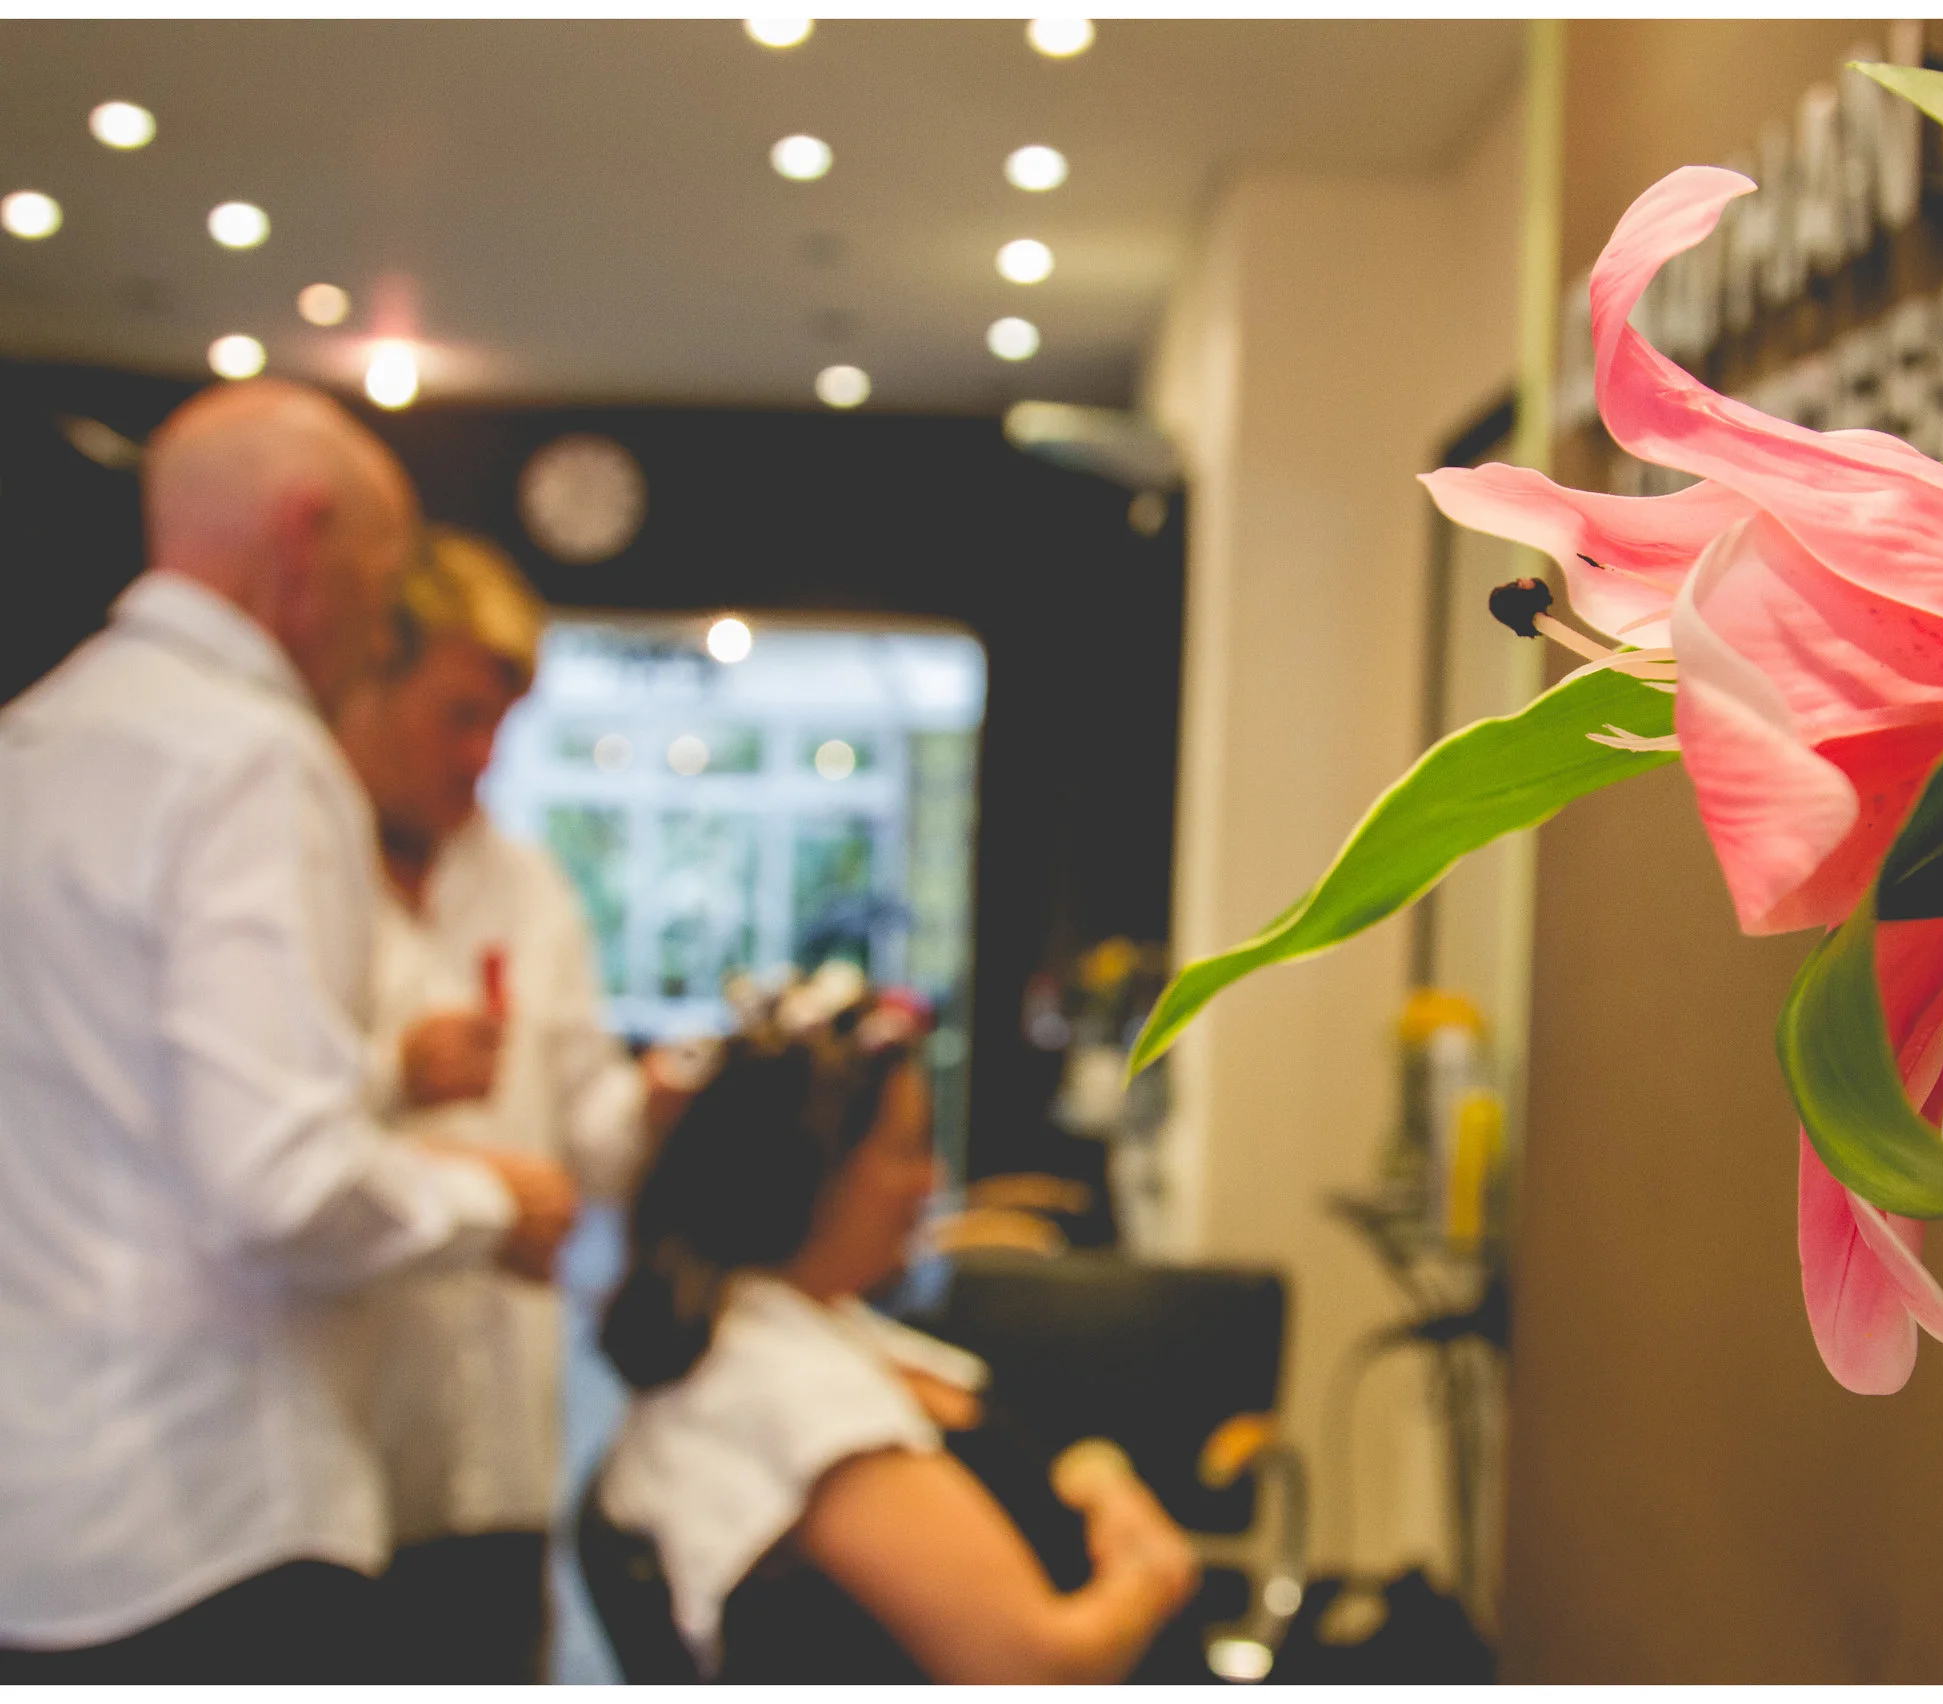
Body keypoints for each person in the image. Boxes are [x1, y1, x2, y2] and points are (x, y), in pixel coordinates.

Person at [0, 380, 579, 1681]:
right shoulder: (254, 755)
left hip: (37, 1523)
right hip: (210, 1516)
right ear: (305, 531)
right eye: (385, 572)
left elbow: (137, 1110)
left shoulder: (34, 740)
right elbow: (277, 1180)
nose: (383, 619)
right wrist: (490, 1202)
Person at [588, 974, 1201, 1682]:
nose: (931, 1180)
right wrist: (1149, 1570)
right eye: (908, 1150)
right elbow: (1038, 1669)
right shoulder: (795, 1400)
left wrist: (1102, 1478)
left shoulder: (793, 1325)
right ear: (807, 1174)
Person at [324, 525, 683, 1680]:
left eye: (499, 727)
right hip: (334, 1447)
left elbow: (594, 1130)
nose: (480, 757)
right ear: (368, 685)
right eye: (456, 717)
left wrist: (663, 1113)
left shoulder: (524, 888)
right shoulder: (284, 863)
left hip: (497, 1448)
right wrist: (391, 1077)